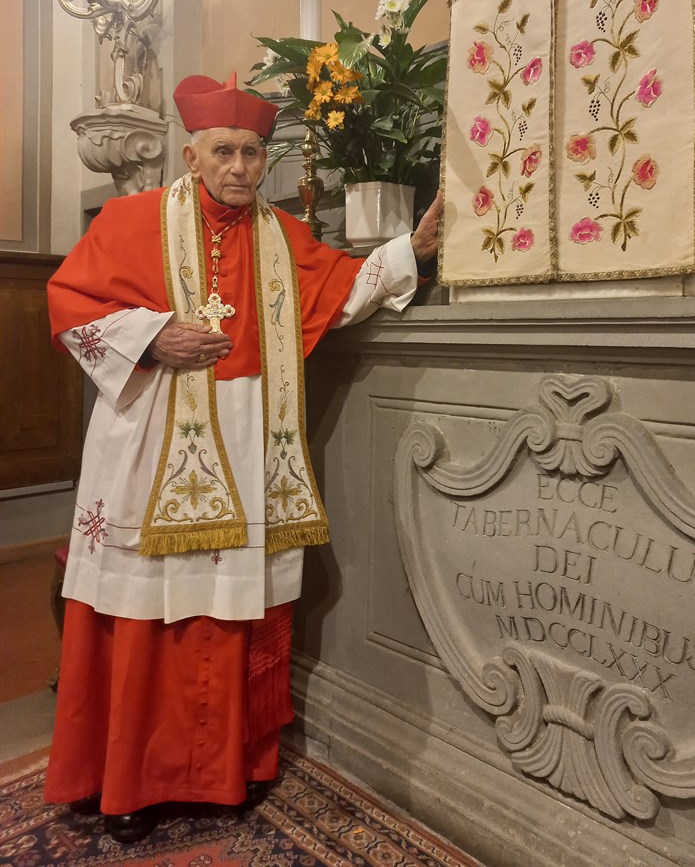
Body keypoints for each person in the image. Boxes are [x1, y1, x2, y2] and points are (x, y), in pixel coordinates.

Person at [44, 72, 442, 843]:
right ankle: (127, 779)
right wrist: (151, 335)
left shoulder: (283, 236)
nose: (239, 166)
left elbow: (344, 288)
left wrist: (412, 250)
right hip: (148, 441)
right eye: (223, 151)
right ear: (191, 155)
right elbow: (70, 306)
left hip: (245, 442)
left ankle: (226, 768)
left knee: (230, 609)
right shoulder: (128, 220)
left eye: (252, 152)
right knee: (143, 612)